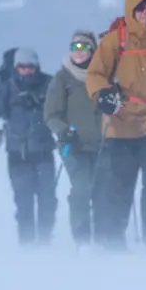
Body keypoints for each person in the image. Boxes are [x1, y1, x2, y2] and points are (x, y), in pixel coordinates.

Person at [85, 0, 146, 249]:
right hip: (120, 124)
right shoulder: (114, 41)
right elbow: (95, 74)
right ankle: (111, 243)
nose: (145, 13)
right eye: (140, 8)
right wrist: (101, 95)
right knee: (119, 187)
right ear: (130, 10)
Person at [0, 48, 57, 245]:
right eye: (22, 67)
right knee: (24, 203)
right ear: (16, 68)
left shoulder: (49, 85)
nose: (26, 71)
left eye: (30, 66)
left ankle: (45, 240)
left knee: (48, 201)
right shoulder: (6, 88)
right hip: (18, 154)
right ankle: (28, 244)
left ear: (36, 66)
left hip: (44, 152)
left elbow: (63, 109)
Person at [43, 30, 103, 247]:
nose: (78, 52)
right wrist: (63, 130)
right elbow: (51, 113)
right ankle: (82, 237)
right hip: (72, 144)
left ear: (92, 51)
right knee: (82, 187)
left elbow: (116, 105)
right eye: (74, 48)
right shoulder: (62, 78)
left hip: (101, 143)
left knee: (102, 189)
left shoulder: (103, 76)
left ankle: (105, 236)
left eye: (83, 47)